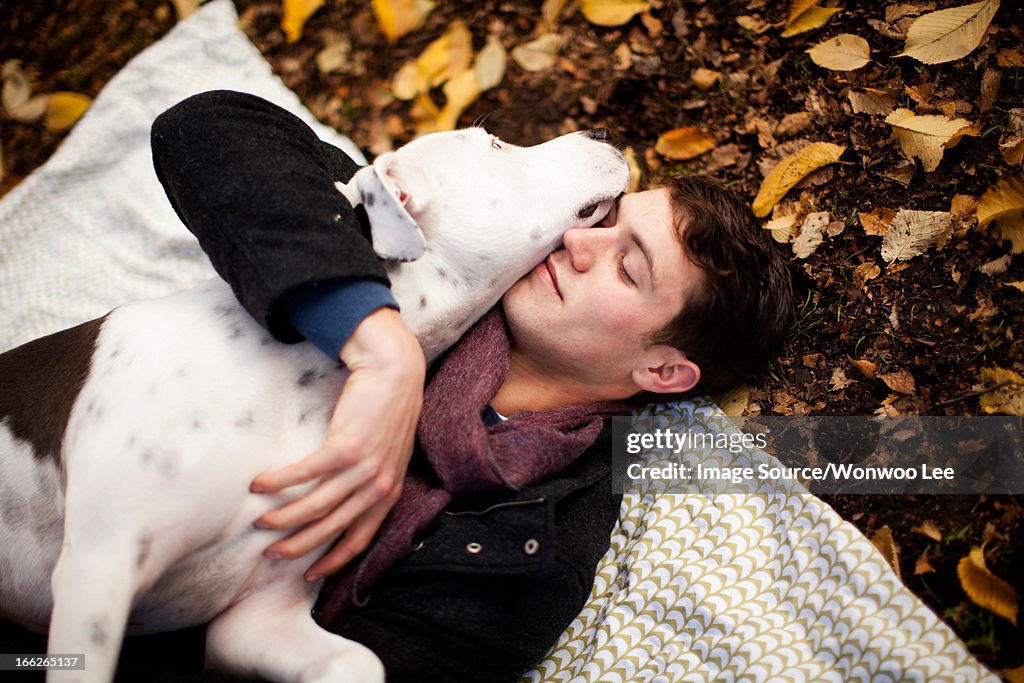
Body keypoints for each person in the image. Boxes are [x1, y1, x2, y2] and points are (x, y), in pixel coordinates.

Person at [0, 89, 794, 682]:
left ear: (662, 371)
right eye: (601, 218)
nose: (581, 243)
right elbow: (202, 128)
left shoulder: (535, 543)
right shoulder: (414, 267)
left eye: (627, 264)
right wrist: (383, 350)